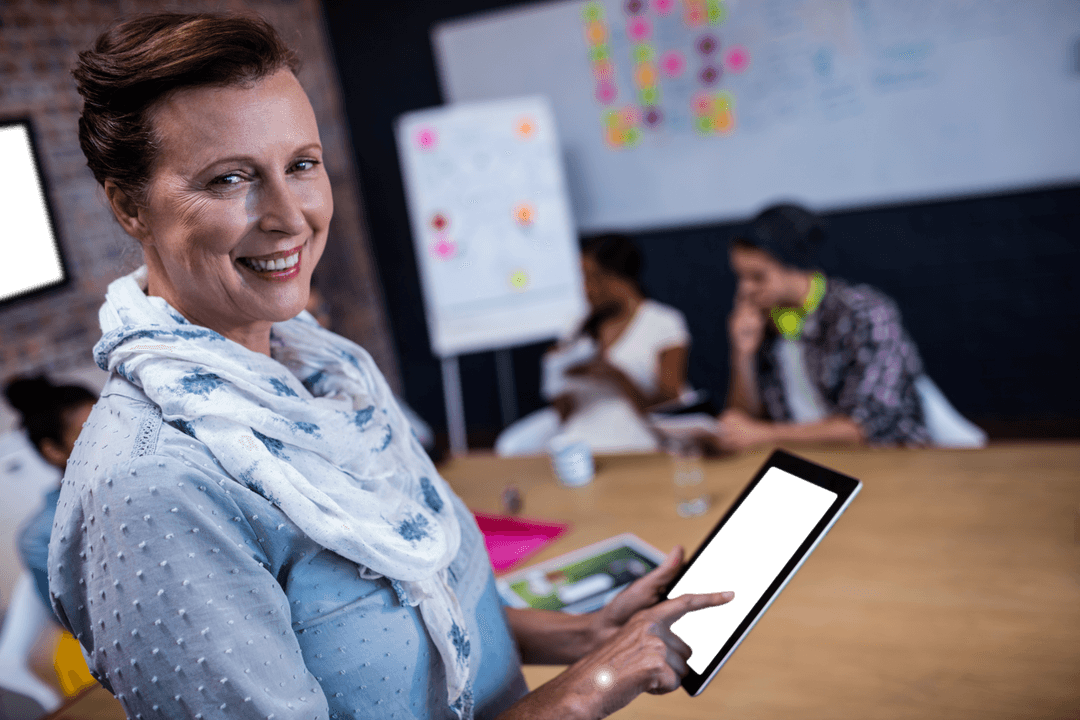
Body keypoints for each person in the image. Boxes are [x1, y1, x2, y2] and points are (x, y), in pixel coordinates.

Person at [49, 13, 734, 720]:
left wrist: (583, 634)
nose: (291, 215)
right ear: (129, 206)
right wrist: (583, 693)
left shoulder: (328, 372)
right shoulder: (154, 485)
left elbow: (402, 618)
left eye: (302, 165)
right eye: (229, 179)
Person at [713, 203, 983, 452]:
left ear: (795, 265)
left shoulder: (865, 312)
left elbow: (863, 428)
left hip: (887, 459)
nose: (745, 289)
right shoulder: (764, 322)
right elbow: (743, 422)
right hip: (807, 462)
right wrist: (742, 355)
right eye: (740, 277)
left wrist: (766, 434)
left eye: (758, 277)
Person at [496, 234, 691, 455]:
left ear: (618, 279)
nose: (585, 288)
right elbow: (562, 411)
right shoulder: (576, 327)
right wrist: (556, 373)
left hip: (636, 437)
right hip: (579, 435)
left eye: (591, 278)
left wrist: (618, 378)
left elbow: (671, 407)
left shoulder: (663, 323)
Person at [0, 375, 95, 717]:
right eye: (89, 436)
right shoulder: (43, 537)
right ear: (54, 451)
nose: (113, 440)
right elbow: (87, 624)